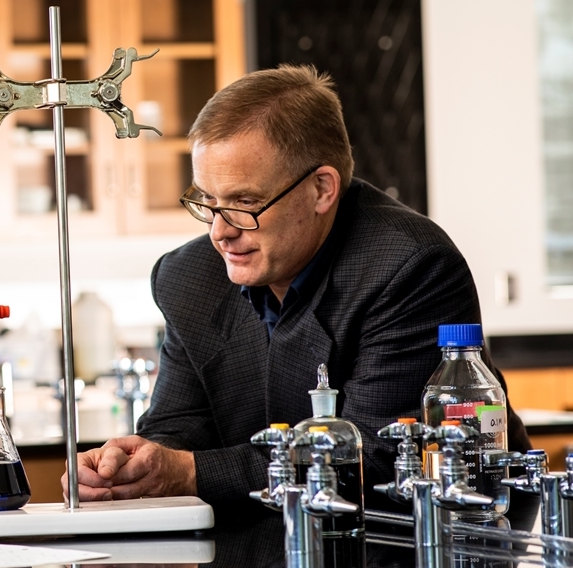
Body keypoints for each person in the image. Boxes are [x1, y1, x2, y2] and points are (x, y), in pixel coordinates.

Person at [64, 65, 530, 509]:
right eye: (208, 201)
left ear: (322, 189)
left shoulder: (410, 267)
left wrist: (187, 473)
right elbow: (179, 426)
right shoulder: (188, 276)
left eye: (245, 202)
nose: (220, 232)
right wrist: (132, 465)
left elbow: (375, 458)